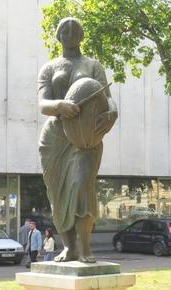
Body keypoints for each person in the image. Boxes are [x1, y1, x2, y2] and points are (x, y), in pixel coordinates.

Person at [38, 17, 118, 263]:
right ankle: (69, 247)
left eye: (75, 31)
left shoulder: (93, 65)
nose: (70, 34)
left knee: (82, 186)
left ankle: (84, 247)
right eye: (65, 31)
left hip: (86, 137)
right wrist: (60, 105)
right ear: (59, 36)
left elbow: (108, 97)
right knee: (58, 194)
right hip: (55, 137)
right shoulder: (49, 68)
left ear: (81, 36)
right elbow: (42, 104)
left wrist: (113, 113)